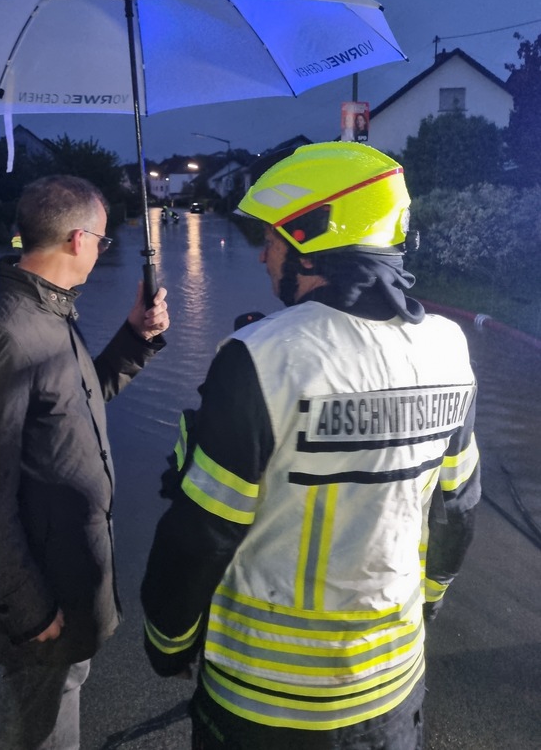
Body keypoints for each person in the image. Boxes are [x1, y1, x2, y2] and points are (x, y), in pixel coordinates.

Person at [141, 142, 480, 750]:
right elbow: (455, 511)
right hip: (391, 690)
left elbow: (203, 530)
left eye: (274, 238)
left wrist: (167, 639)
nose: (266, 254)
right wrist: (425, 608)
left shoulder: (260, 357)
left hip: (261, 702)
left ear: (316, 240)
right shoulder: (450, 349)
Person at [0, 174, 169, 750]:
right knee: (39, 722)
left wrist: (135, 337)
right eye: (100, 238)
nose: (103, 249)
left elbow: (76, 401)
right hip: (42, 585)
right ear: (76, 239)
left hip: (68, 566)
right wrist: (28, 608)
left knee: (60, 693)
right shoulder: (6, 333)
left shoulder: (49, 312)